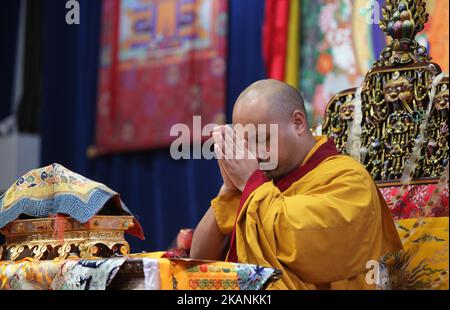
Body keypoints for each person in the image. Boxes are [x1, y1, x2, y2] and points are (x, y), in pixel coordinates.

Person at [190, 79, 402, 289]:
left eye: (262, 138)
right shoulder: (260, 184)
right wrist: (229, 190)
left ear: (298, 122)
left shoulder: (350, 180)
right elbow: (198, 262)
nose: (255, 152)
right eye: (246, 143)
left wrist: (250, 186)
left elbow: (309, 248)